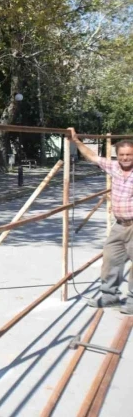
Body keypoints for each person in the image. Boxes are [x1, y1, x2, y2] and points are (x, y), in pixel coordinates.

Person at [70, 128, 133, 313]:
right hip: (120, 224)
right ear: (117, 155)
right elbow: (92, 156)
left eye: (129, 155)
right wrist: (76, 140)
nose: (126, 158)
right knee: (111, 258)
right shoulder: (114, 167)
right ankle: (109, 296)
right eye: (122, 155)